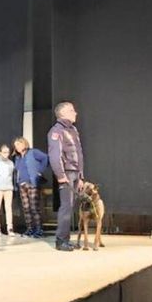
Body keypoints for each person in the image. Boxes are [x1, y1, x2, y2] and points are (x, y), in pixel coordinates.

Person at [47, 101, 84, 251]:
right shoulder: (56, 131)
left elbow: (79, 154)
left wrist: (81, 176)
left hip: (75, 173)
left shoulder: (73, 130)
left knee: (71, 208)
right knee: (66, 207)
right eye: (72, 110)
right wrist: (61, 176)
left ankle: (67, 239)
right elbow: (55, 155)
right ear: (63, 113)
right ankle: (61, 241)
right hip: (67, 174)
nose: (75, 113)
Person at [13, 136, 48, 238]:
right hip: (22, 184)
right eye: (15, 146)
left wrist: (39, 171)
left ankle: (39, 229)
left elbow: (45, 158)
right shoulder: (18, 157)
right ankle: (29, 229)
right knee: (26, 208)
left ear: (24, 144)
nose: (17, 147)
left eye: (18, 145)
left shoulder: (33, 152)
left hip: (32, 183)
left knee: (34, 207)